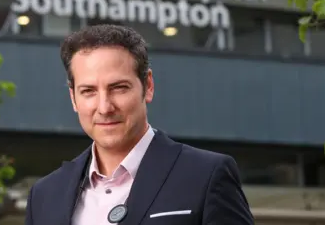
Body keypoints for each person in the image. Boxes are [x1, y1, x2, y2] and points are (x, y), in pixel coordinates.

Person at [24, 24, 254, 225]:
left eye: (119, 88)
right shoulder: (44, 196)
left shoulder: (206, 175)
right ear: (73, 98)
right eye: (89, 91)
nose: (104, 107)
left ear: (148, 86)